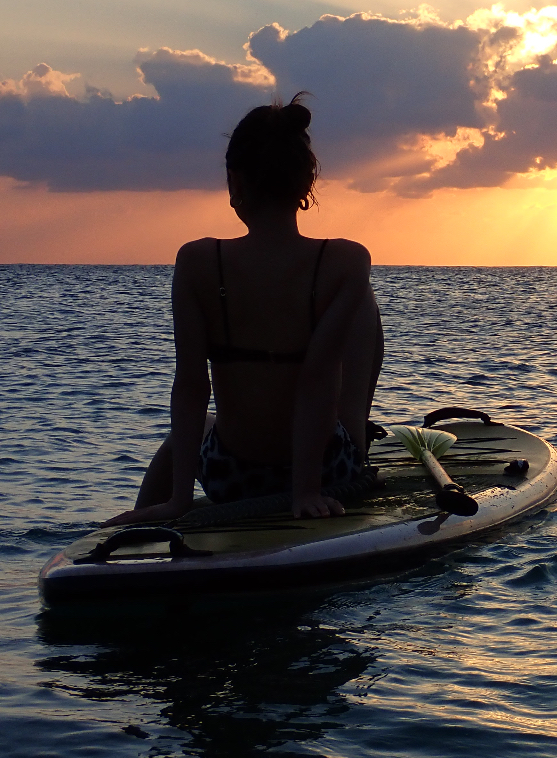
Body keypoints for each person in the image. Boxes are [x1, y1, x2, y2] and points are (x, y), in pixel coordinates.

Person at [106, 95, 384, 524]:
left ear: (234, 182)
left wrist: (181, 500)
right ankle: (357, 446)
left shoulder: (197, 262)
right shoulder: (346, 262)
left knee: (192, 431)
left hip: (230, 476)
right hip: (329, 472)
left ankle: (151, 517)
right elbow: (318, 379)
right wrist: (305, 491)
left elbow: (191, 385)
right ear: (307, 184)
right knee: (361, 296)